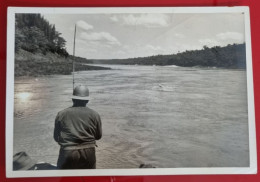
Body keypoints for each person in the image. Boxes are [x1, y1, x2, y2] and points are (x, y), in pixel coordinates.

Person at [54, 85, 102, 169]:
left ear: (73, 99)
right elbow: (98, 136)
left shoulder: (61, 114)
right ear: (87, 100)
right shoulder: (95, 114)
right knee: (88, 178)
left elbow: (56, 137)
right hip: (89, 153)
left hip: (67, 152)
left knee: (64, 179)